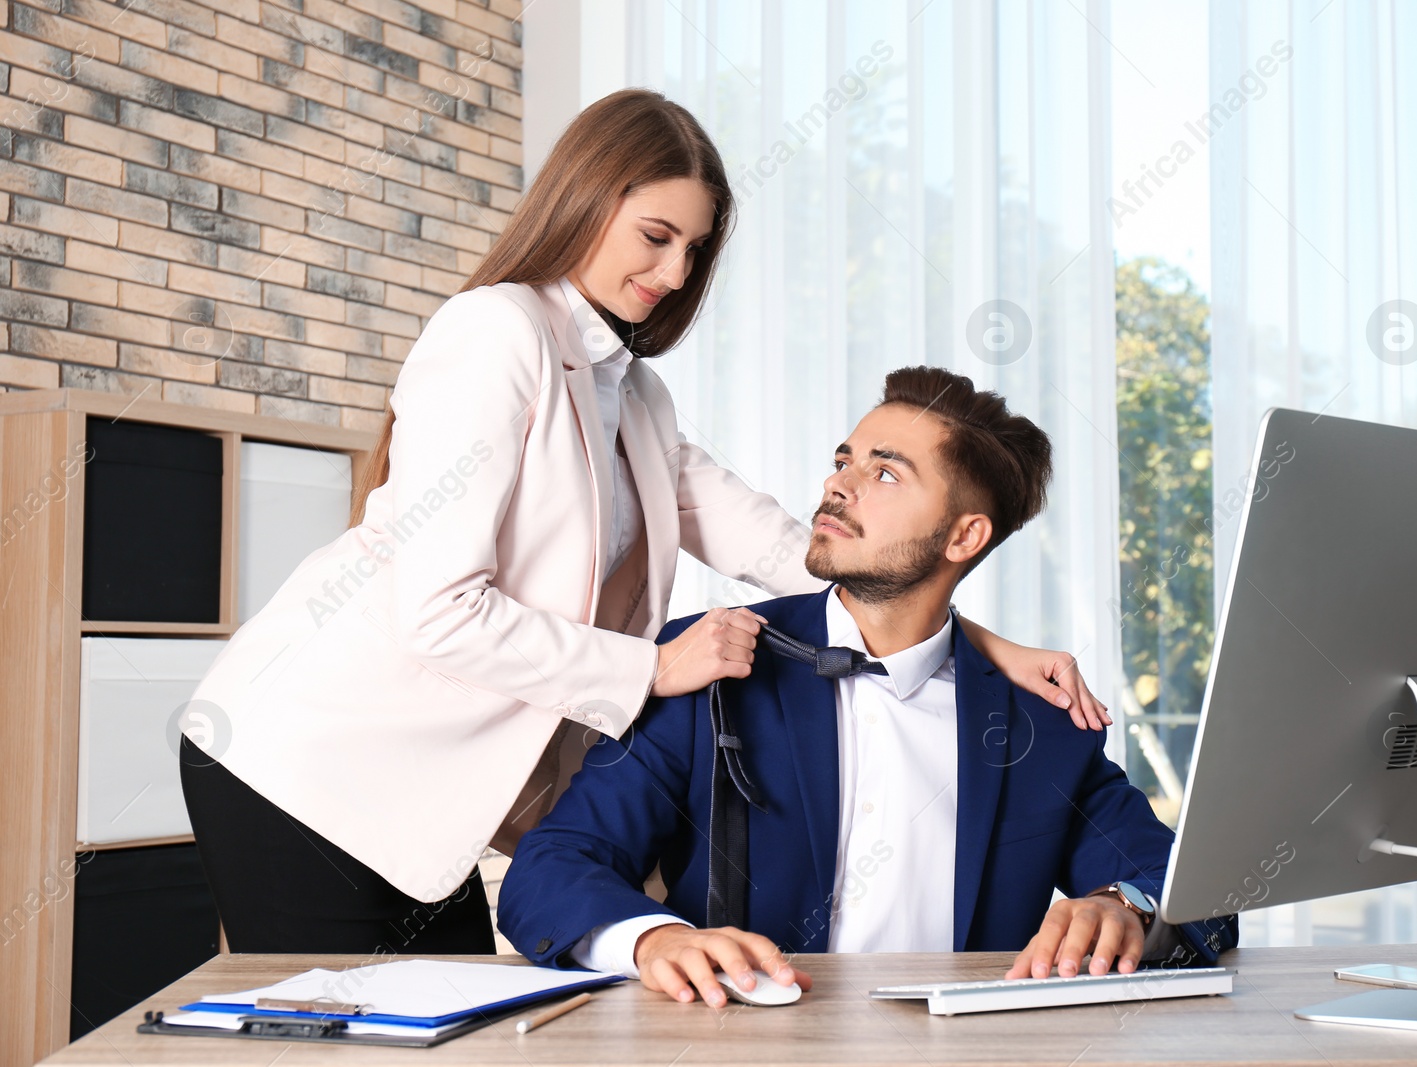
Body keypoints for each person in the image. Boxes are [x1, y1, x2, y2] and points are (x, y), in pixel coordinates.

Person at [178, 90, 1111, 954]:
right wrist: (654, 668)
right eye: (656, 236)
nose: (675, 273)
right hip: (311, 764)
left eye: (695, 250)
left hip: (423, 803)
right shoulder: (495, 334)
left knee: (457, 1034)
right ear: (584, 202)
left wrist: (980, 646)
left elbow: (802, 554)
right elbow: (437, 611)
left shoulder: (637, 396)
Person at [497, 367, 1238, 1006]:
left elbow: (1198, 889)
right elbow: (551, 869)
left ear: (964, 537)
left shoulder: (1042, 726)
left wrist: (1125, 907)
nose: (837, 483)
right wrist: (651, 938)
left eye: (885, 473)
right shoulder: (711, 663)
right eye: (844, 458)